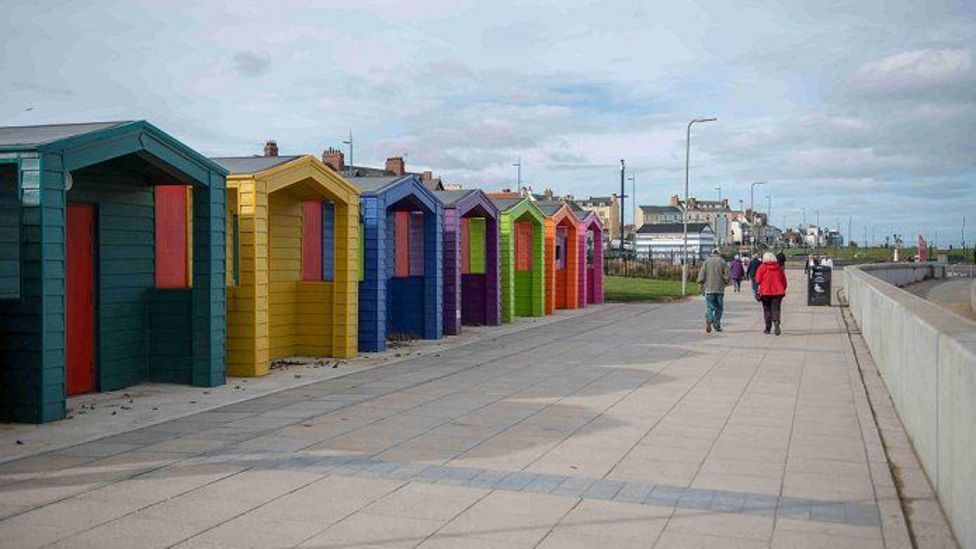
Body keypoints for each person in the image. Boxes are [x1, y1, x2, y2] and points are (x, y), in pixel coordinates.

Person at [697, 248, 730, 333]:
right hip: (719, 289)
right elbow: (727, 274)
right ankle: (716, 325)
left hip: (708, 288)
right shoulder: (722, 262)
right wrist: (725, 281)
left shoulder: (706, 262)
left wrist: (700, 283)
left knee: (710, 306)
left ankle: (709, 318)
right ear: (719, 253)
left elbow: (702, 273)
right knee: (719, 307)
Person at [755, 252, 788, 335]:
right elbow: (783, 280)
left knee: (767, 310)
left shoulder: (762, 267)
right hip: (777, 292)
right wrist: (783, 288)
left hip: (765, 292)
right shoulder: (779, 267)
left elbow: (757, 280)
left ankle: (768, 328)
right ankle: (776, 322)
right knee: (776, 309)